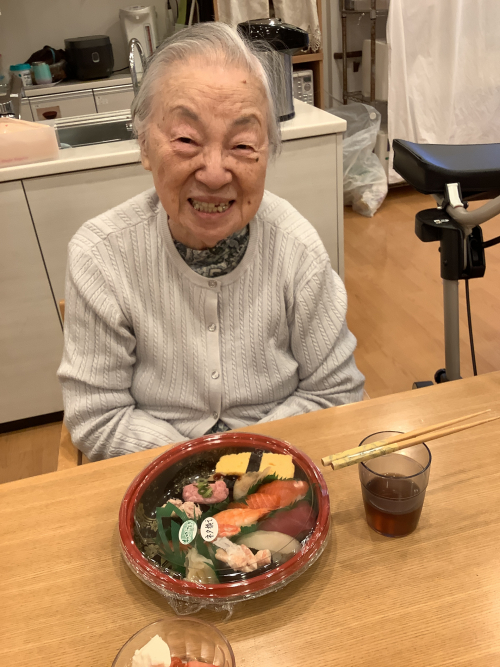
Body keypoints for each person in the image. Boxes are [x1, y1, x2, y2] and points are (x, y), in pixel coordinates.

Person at [58, 22, 364, 461]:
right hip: (157, 470)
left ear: (268, 152)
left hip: (280, 465)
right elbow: (98, 416)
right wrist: (200, 468)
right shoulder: (100, 256)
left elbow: (335, 390)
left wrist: (247, 460)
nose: (215, 173)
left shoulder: (297, 248)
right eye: (186, 139)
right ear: (144, 145)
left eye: (242, 144)